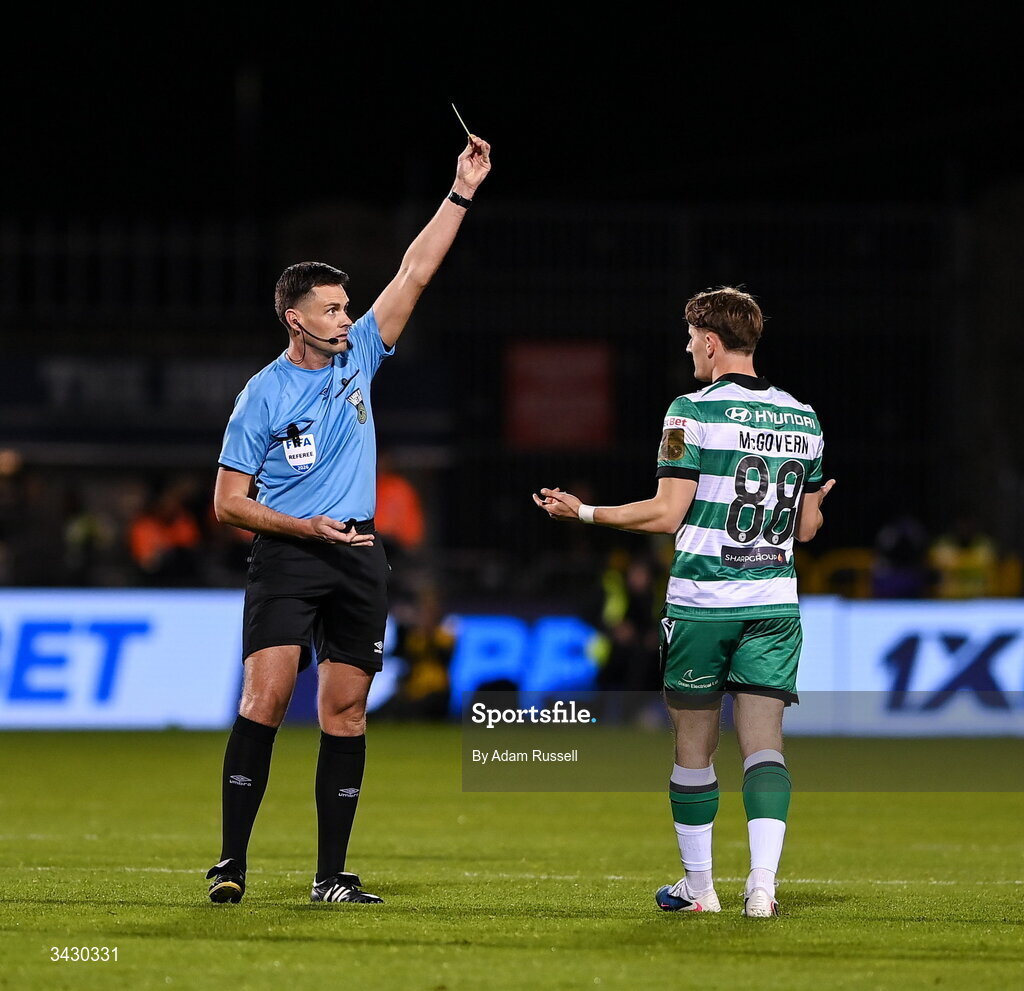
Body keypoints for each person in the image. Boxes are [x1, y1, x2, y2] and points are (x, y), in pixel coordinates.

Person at [206, 133, 492, 906]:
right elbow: (227, 503)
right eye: (330, 308)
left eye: (344, 306)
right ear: (295, 320)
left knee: (346, 709)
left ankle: (331, 876)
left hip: (359, 556)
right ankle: (231, 861)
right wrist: (305, 529)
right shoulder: (260, 396)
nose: (345, 317)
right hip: (290, 556)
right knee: (264, 697)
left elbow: (416, 269)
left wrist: (461, 189)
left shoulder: (361, 353)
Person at [533, 287, 834, 918]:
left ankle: (700, 891)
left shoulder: (690, 410)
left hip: (703, 601)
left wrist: (585, 511)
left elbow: (669, 513)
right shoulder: (803, 416)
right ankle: (763, 886)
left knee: (694, 747)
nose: (687, 346)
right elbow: (805, 530)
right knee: (766, 745)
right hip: (774, 603)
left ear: (711, 341)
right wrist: (817, 507)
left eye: (690, 335)